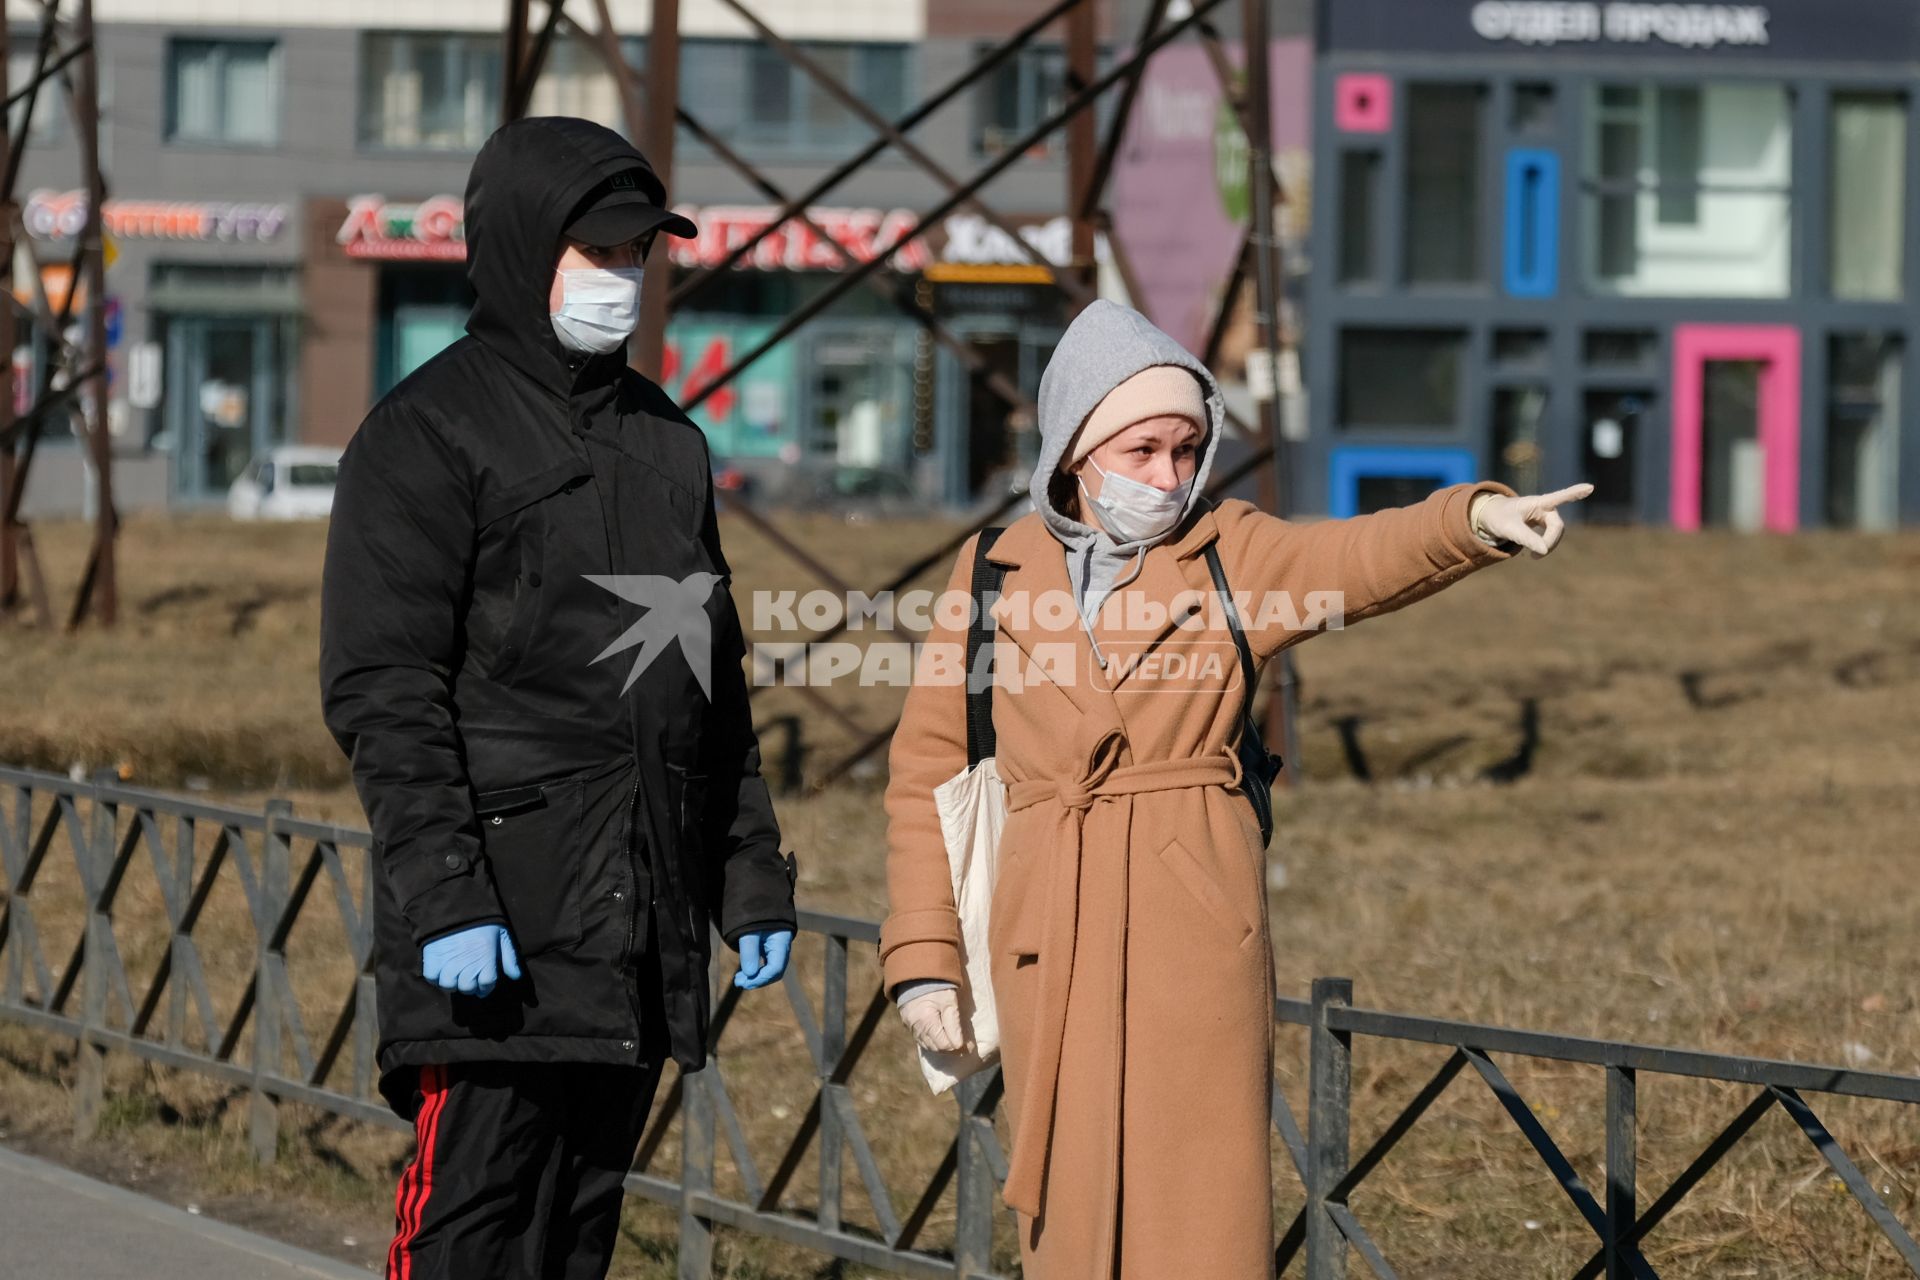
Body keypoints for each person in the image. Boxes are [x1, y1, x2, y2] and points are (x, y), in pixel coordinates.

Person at [880, 300, 1590, 1279]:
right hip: (1051, 922)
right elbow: (928, 769)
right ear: (1075, 449)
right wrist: (922, 957)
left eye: (1187, 447)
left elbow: (1353, 559)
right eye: (1142, 449)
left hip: (1192, 918)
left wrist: (1471, 520)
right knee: (1072, 1213)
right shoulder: (993, 574)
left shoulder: (1231, 551)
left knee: (1196, 1214)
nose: (1169, 476)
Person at [318, 116, 798, 1280]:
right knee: (467, 1230)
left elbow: (708, 688)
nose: (622, 279)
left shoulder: (668, 444)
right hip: (496, 923)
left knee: (574, 1234)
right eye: (600, 251)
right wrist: (445, 897)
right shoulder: (424, 432)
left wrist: (749, 878)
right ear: (528, 246)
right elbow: (385, 688)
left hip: (634, 931)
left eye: (640, 255)